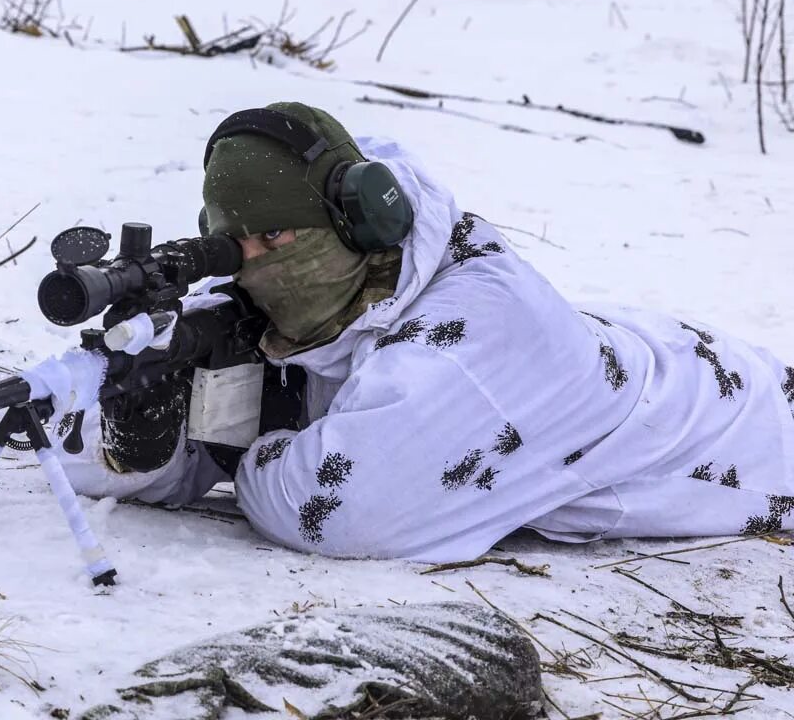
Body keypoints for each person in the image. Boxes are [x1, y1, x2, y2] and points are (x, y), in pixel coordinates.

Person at [59, 101, 794, 564]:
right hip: (647, 350)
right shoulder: (294, 281)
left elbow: (343, 514)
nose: (253, 264)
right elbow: (95, 455)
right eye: (234, 243)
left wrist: (243, 435)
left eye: (276, 237)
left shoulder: (477, 335)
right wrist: (138, 437)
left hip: (754, 433)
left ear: (363, 218)